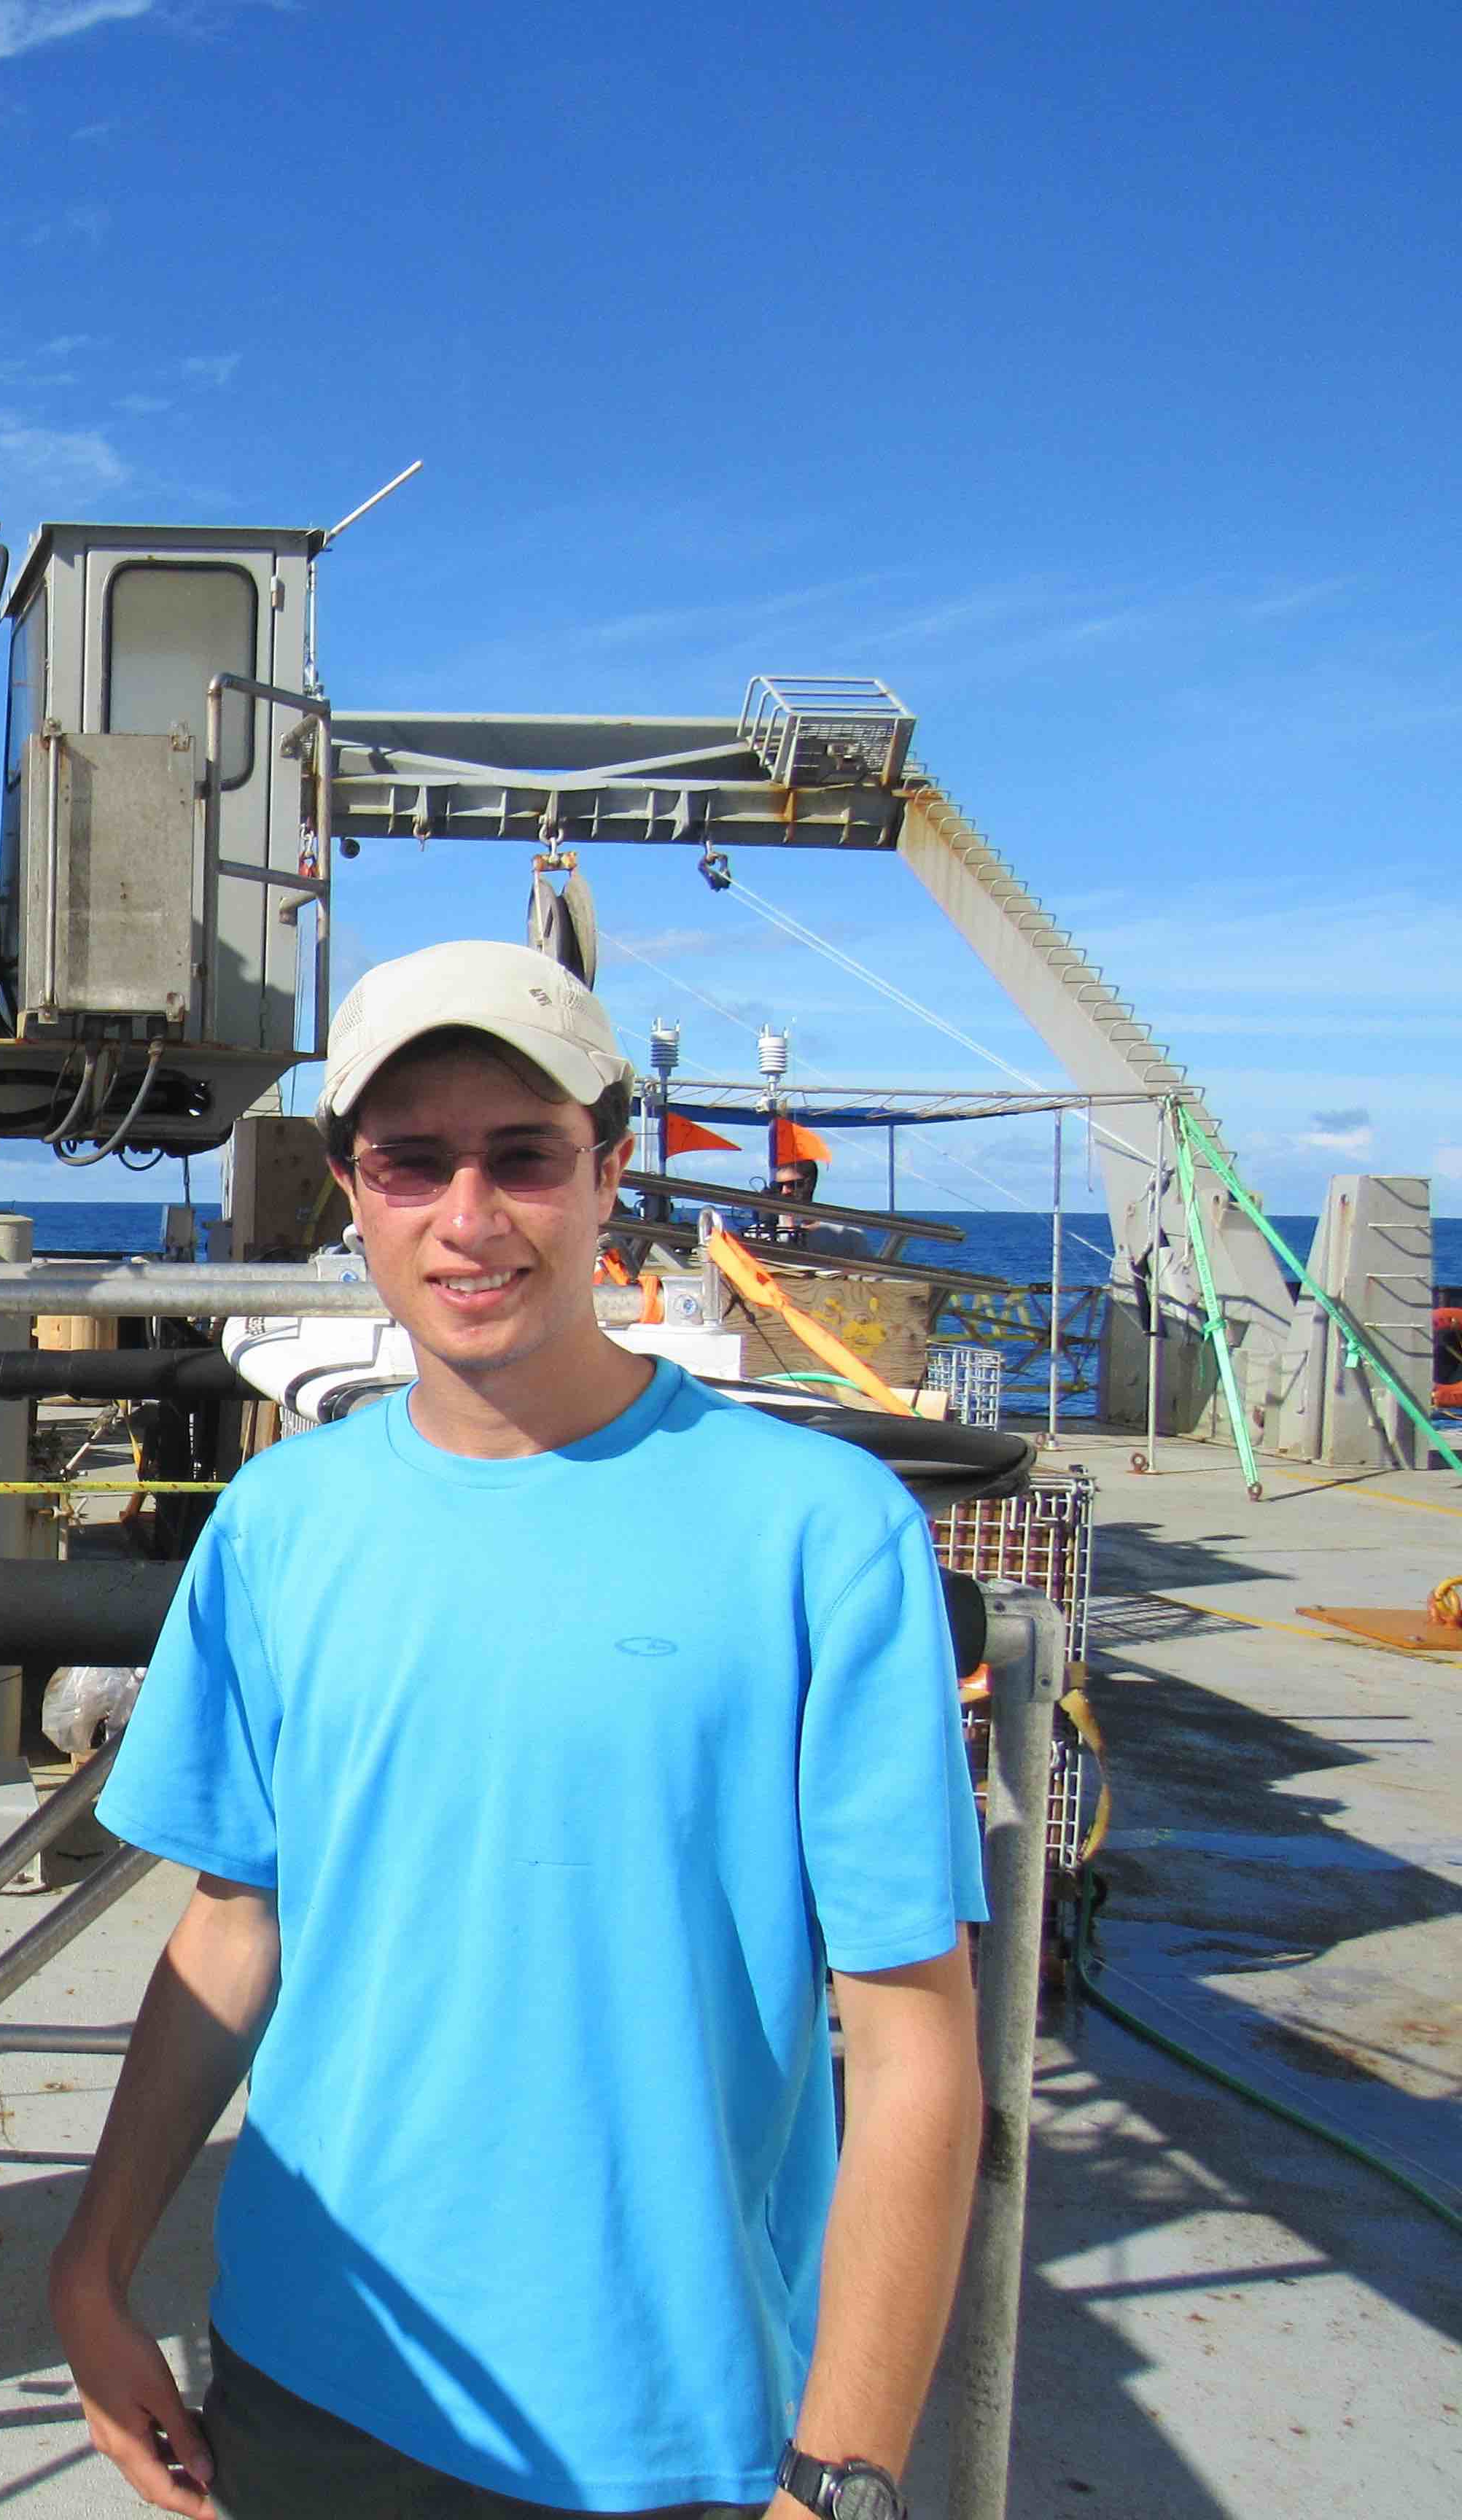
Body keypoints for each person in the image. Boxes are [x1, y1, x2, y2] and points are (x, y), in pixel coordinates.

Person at [50, 938, 986, 2520]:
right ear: (353, 1190)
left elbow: (914, 2041)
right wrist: (94, 2272)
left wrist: (844, 2473)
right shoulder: (279, 1522)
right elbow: (232, 1928)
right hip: (314, 2374)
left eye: (524, 1158)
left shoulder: (823, 1533)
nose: (468, 1217)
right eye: (413, 1162)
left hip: (672, 2422)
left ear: (610, 1171)